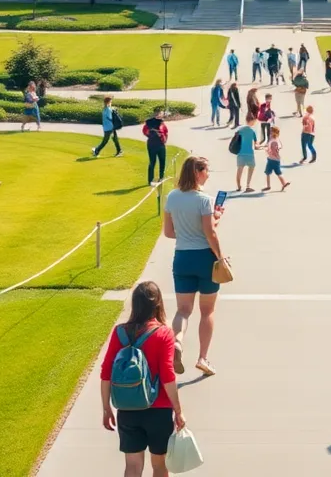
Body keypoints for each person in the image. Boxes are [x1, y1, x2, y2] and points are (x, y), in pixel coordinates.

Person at [100, 281, 186, 477]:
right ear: (158, 304)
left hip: (128, 409)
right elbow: (167, 375)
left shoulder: (120, 332)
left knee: (132, 466)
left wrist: (106, 408)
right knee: (159, 466)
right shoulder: (164, 333)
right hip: (159, 410)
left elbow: (106, 373)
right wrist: (178, 411)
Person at [165, 156, 227, 378]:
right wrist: (220, 257)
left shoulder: (171, 197)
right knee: (207, 310)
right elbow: (210, 233)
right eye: (207, 170)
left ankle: (178, 342)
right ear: (199, 173)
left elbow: (169, 232)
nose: (208, 174)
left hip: (182, 257)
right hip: (205, 259)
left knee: (183, 310)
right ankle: (202, 358)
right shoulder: (205, 200)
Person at [143, 108, 170, 186]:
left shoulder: (161, 123)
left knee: (162, 162)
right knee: (152, 162)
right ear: (156, 114)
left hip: (160, 144)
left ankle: (161, 178)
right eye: (160, 113)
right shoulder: (150, 123)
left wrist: (164, 141)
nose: (161, 115)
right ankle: (150, 180)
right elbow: (145, 131)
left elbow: (166, 132)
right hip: (153, 145)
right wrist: (152, 134)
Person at [234, 114, 260, 192]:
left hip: (240, 153)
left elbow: (235, 140)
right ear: (251, 121)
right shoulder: (252, 131)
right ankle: (248, 186)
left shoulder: (240, 130)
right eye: (254, 121)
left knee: (239, 170)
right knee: (251, 168)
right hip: (249, 154)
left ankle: (239, 186)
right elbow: (256, 144)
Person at [263, 126, 290, 192]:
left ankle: (268, 186)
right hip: (276, 160)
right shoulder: (275, 140)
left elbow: (273, 151)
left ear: (274, 133)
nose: (270, 133)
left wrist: (268, 151)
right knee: (278, 173)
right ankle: (284, 183)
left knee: (267, 172)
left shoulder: (273, 141)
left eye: (271, 131)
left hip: (272, 160)